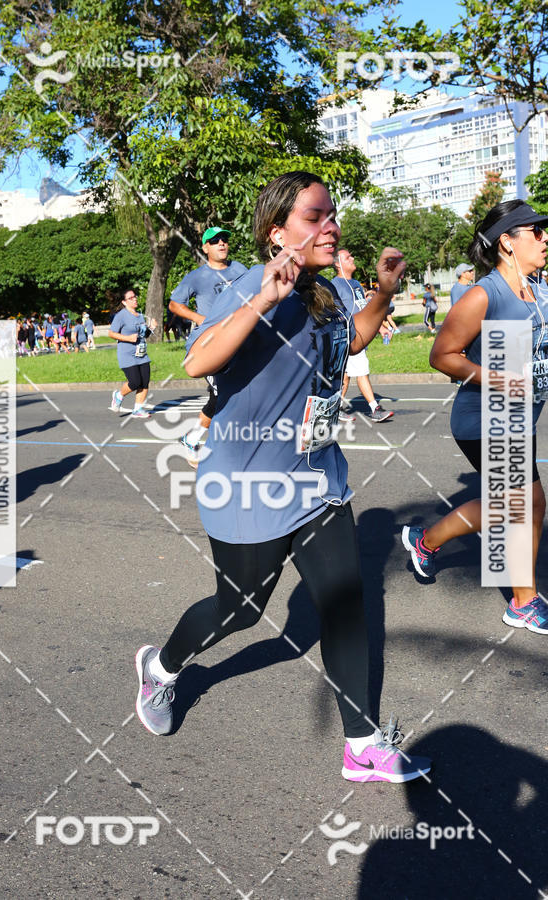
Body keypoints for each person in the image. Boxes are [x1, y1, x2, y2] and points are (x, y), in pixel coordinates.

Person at [135, 171, 431, 783]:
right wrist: (264, 298)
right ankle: (162, 669)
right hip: (250, 485)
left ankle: (361, 744)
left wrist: (382, 290)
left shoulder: (326, 291)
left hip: (319, 478)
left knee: (347, 606)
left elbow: (352, 341)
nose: (332, 225)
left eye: (333, 215)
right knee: (239, 610)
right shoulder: (247, 285)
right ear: (278, 233)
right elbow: (197, 360)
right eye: (315, 216)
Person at [402, 199, 548, 634]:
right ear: (507, 242)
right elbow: (442, 356)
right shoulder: (484, 295)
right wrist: (500, 380)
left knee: (519, 505)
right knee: (522, 506)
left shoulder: (539, 290)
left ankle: (425, 542)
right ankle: (524, 602)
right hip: (485, 416)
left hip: (520, 417)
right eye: (535, 232)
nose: (545, 238)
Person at [168, 227, 247, 467]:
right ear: (205, 248)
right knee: (222, 394)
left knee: (244, 391)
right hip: (210, 342)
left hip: (241, 338)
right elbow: (174, 305)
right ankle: (194, 440)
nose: (221, 243)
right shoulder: (196, 276)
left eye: (224, 239)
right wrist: (202, 320)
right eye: (214, 241)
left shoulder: (240, 270)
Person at [331, 249, 393, 422]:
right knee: (360, 372)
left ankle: (334, 409)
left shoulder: (357, 284)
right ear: (337, 264)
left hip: (360, 336)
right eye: (347, 257)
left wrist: (380, 327)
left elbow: (366, 310)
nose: (352, 258)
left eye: (352, 255)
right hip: (350, 337)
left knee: (345, 376)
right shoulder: (334, 285)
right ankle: (375, 409)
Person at [108, 288, 158, 418]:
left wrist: (151, 327)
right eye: (131, 298)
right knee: (135, 382)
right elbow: (111, 333)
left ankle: (138, 409)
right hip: (127, 354)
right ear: (124, 302)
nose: (134, 299)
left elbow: (143, 335)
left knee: (144, 382)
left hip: (141, 353)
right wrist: (128, 338)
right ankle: (118, 396)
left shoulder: (140, 315)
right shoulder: (121, 316)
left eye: (135, 296)